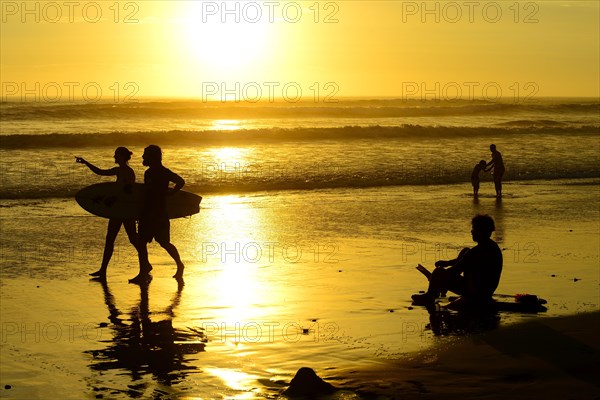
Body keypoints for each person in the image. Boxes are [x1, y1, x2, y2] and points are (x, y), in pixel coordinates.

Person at [412, 214, 503, 307]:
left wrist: (437, 278)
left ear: (481, 231)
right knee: (465, 250)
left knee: (438, 271)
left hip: (476, 292)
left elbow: (455, 271)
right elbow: (464, 261)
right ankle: (437, 287)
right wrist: (448, 263)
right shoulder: (493, 247)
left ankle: (430, 296)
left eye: (474, 229)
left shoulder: (476, 252)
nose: (472, 231)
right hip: (487, 291)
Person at [76, 147, 138, 278]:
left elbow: (127, 192)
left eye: (116, 155)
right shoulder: (118, 170)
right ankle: (103, 270)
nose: (114, 157)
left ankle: (104, 270)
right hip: (120, 210)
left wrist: (111, 199)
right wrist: (86, 163)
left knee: (124, 239)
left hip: (123, 211)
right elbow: (100, 172)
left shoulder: (128, 172)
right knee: (121, 239)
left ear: (121, 156)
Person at [129, 145, 186, 283]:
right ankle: (143, 272)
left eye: (145, 154)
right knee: (141, 242)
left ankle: (180, 265)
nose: (142, 157)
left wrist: (172, 193)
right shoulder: (148, 173)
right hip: (148, 213)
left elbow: (181, 181)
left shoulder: (163, 172)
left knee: (164, 243)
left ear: (152, 156)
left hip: (158, 213)